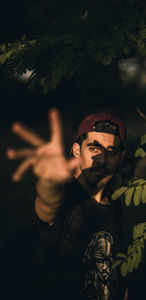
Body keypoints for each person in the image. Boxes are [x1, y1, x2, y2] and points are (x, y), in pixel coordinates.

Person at [6, 108, 128, 300]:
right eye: (93, 148)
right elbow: (48, 205)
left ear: (121, 157)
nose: (102, 160)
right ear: (77, 150)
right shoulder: (67, 198)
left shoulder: (117, 201)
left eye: (111, 152)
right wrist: (48, 182)